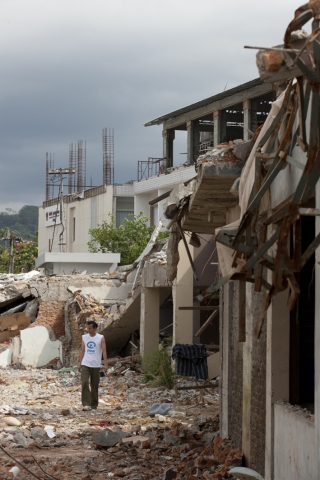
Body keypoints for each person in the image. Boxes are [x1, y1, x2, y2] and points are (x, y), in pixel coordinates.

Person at [78, 321, 108, 411]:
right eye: (87, 328)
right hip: (85, 363)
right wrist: (79, 363)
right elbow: (82, 351)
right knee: (84, 382)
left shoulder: (100, 338)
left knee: (94, 385)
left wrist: (105, 364)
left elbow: (104, 351)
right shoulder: (84, 337)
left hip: (96, 364)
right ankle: (86, 404)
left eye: (90, 328)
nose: (88, 330)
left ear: (95, 328)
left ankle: (94, 405)